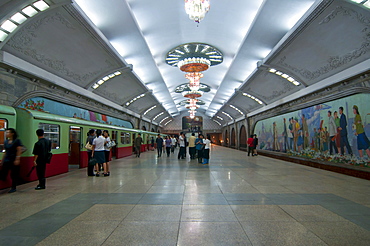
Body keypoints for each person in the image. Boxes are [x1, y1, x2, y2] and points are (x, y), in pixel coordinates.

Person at [0, 128, 22, 193]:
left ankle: (13, 187)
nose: (6, 134)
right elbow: (5, 151)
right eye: (6, 132)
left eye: (8, 132)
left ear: (12, 134)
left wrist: (17, 159)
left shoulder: (17, 141)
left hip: (13, 159)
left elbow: (19, 150)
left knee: (13, 174)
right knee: (3, 172)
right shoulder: (6, 141)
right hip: (7, 159)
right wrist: (2, 160)